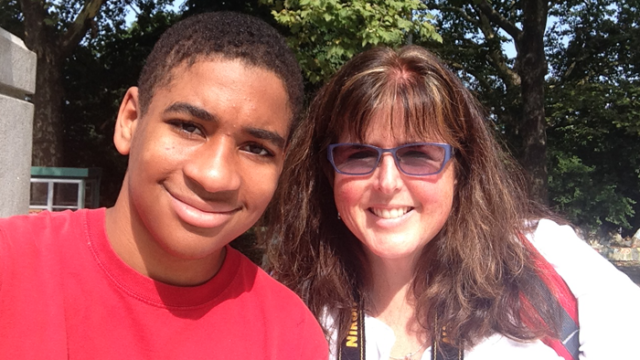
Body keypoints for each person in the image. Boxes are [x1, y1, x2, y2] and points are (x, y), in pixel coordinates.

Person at [263, 45, 640, 360]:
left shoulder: (547, 261)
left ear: (461, 168)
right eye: (359, 154)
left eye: (418, 154)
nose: (388, 182)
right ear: (329, 172)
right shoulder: (284, 302)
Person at [0, 12, 328, 359]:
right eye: (189, 127)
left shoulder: (290, 335)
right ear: (130, 121)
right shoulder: (11, 265)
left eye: (256, 148)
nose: (215, 177)